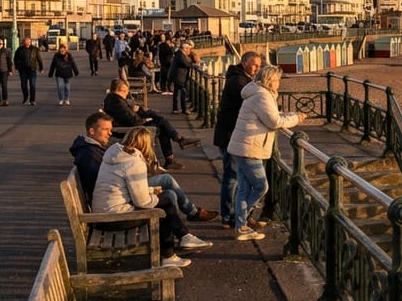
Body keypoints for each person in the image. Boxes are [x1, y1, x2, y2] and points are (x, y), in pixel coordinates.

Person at [90, 126, 212, 268]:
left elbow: (123, 189)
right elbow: (142, 202)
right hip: (113, 219)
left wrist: (151, 190)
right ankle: (176, 246)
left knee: (166, 199)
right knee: (164, 205)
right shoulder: (134, 163)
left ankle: (179, 243)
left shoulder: (115, 154)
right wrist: (154, 197)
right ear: (145, 144)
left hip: (105, 213)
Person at [71, 111, 219, 223]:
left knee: (166, 184)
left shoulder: (90, 148)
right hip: (116, 201)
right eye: (106, 129)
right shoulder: (89, 155)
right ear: (91, 131)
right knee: (167, 183)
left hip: (118, 191)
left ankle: (184, 221)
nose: (110, 133)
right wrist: (148, 190)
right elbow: (101, 185)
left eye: (110, 129)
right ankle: (185, 218)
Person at [227, 65, 305, 241]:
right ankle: (241, 220)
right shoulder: (262, 95)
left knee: (244, 188)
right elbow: (274, 121)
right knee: (261, 186)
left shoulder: (255, 92)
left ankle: (241, 226)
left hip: (242, 147)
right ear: (269, 80)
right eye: (277, 80)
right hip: (249, 149)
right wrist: (296, 119)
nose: (279, 83)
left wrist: (289, 114)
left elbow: (270, 115)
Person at [103, 78, 200, 170]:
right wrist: (145, 119)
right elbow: (132, 120)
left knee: (161, 123)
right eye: (127, 91)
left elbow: (129, 115)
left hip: (129, 126)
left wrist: (139, 111)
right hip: (129, 129)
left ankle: (171, 157)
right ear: (123, 90)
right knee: (161, 122)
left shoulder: (115, 100)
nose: (127, 94)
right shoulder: (117, 102)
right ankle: (178, 143)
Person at [212, 52, 263, 228]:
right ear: (244, 62)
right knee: (232, 176)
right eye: (254, 64)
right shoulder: (238, 81)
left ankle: (240, 215)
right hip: (230, 135)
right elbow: (252, 99)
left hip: (236, 135)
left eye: (259, 65)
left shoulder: (242, 78)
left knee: (241, 177)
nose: (257, 68)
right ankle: (228, 216)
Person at [13, 36, 43, 106]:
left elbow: (39, 59)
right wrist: (17, 67)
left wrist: (41, 68)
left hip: (32, 69)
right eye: (26, 42)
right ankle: (25, 97)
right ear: (24, 42)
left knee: (32, 85)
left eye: (28, 42)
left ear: (30, 42)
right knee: (23, 85)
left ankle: (32, 100)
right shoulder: (20, 49)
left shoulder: (35, 49)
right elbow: (15, 59)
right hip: (23, 70)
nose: (27, 43)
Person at [168, 39, 196, 113]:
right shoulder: (180, 55)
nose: (189, 51)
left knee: (177, 92)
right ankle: (183, 109)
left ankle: (176, 108)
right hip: (179, 76)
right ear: (185, 49)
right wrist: (192, 65)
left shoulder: (179, 54)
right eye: (188, 49)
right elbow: (186, 64)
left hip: (178, 76)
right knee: (183, 92)